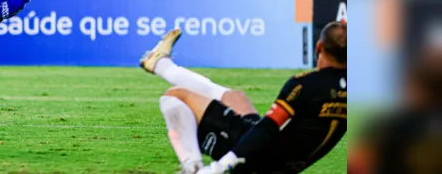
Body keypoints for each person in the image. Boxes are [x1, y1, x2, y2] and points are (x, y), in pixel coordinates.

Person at [139, 22, 347, 174]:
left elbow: (267, 128)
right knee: (234, 97)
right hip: (282, 162)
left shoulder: (305, 84)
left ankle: (192, 167)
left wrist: (221, 166)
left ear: (319, 48)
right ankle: (160, 63)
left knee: (174, 96)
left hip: (258, 159)